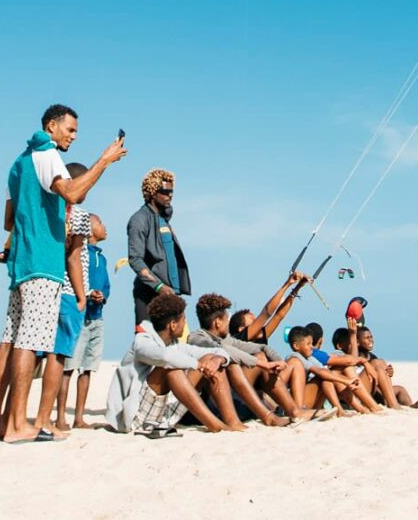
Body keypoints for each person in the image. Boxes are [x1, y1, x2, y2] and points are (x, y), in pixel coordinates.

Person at [0, 105, 125, 444]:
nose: (73, 136)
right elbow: (72, 193)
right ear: (51, 126)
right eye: (70, 130)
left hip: (21, 262)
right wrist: (104, 161)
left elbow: (7, 220)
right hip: (44, 262)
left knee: (10, 340)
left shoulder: (18, 163)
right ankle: (17, 425)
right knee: (31, 342)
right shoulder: (48, 154)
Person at [105, 293, 246, 436]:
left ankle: (233, 422)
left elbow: (216, 351)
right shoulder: (142, 342)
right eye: (184, 320)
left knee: (210, 358)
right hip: (137, 418)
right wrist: (198, 365)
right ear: (173, 325)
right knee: (171, 369)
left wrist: (217, 360)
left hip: (163, 414)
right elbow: (164, 357)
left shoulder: (174, 345)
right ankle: (215, 425)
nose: (185, 324)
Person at [34, 163, 95, 437]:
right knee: (58, 358)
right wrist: (82, 296)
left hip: (44, 287)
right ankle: (45, 419)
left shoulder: (47, 211)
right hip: (69, 292)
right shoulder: (78, 215)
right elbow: (74, 258)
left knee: (33, 355)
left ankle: (14, 416)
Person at [189, 293, 302, 424]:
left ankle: (295, 412)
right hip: (212, 405)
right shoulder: (197, 338)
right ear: (217, 322)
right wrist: (262, 364)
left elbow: (261, 348)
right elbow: (223, 350)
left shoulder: (226, 339)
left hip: (234, 398)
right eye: (227, 320)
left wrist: (279, 361)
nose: (228, 324)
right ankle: (268, 417)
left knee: (260, 354)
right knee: (231, 363)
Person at [58, 210, 110, 431]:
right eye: (100, 222)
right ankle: (60, 416)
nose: (105, 226)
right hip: (81, 317)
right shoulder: (82, 252)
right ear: (90, 227)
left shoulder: (102, 257)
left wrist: (102, 297)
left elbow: (105, 285)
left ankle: (79, 417)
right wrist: (86, 294)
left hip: (97, 318)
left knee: (87, 368)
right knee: (68, 368)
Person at [127, 168, 191, 325]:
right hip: (150, 295)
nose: (170, 195)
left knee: (172, 345)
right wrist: (159, 286)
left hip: (170, 295)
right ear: (153, 192)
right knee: (146, 343)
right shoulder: (139, 220)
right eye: (165, 191)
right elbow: (135, 259)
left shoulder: (163, 218)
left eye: (172, 192)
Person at [354, 326, 418, 409]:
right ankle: (394, 405)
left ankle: (409, 405)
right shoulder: (355, 355)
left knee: (400, 389)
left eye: (371, 337)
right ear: (357, 342)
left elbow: (379, 380)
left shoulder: (373, 357)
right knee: (378, 363)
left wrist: (388, 373)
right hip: (360, 391)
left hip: (373, 390)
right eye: (367, 338)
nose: (371, 340)